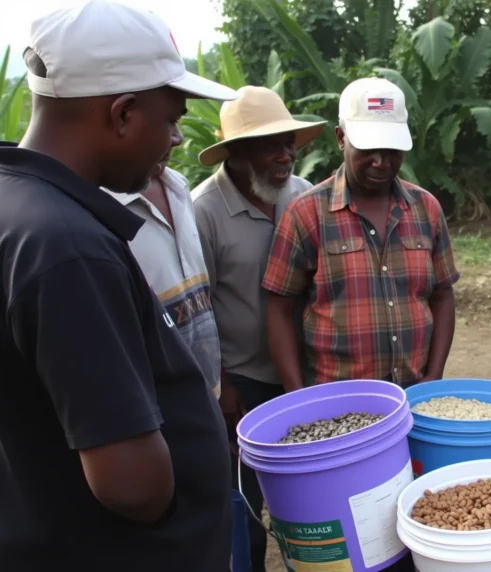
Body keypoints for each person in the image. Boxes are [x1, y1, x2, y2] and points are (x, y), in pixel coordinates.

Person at [0, 1, 238, 570]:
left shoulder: (18, 203)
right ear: (124, 113)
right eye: (172, 118)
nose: (178, 138)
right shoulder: (68, 247)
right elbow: (133, 487)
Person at [192, 85, 325, 572]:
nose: (285, 154)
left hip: (301, 371)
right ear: (237, 152)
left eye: (288, 142)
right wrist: (221, 383)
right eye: (271, 144)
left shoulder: (303, 194)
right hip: (242, 381)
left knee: (306, 499)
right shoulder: (203, 212)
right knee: (246, 505)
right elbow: (197, 306)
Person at [263, 77, 459, 389]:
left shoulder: (427, 209)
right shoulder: (305, 214)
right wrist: (298, 394)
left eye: (392, 149)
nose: (381, 162)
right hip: (336, 401)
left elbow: (443, 295)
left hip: (414, 394)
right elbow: (279, 309)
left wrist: (434, 377)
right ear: (341, 138)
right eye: (368, 148)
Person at [102, 154, 221, 399]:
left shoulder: (178, 184)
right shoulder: (101, 205)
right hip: (160, 405)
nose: (177, 137)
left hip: (206, 393)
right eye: (167, 121)